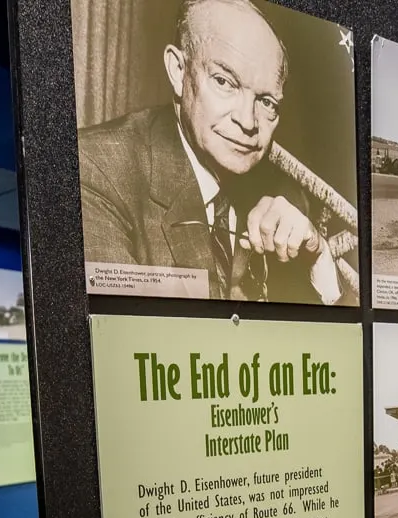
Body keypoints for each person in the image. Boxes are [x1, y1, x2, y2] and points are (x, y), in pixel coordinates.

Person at [77, 0, 344, 305]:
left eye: (267, 102)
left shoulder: (287, 199)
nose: (247, 122)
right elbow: (127, 343)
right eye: (224, 82)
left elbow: (333, 345)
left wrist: (318, 257)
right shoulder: (95, 168)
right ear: (179, 70)